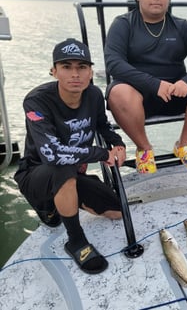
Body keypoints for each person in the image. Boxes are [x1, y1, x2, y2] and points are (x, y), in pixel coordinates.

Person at [14, 38, 127, 274]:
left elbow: (102, 126)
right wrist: (102, 153)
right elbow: (52, 154)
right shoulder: (36, 101)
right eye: (66, 67)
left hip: (71, 172)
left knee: (116, 211)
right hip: (36, 172)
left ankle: (65, 201)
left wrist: (118, 144)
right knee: (62, 167)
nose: (75, 74)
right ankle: (75, 240)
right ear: (54, 71)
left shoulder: (94, 95)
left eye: (81, 67)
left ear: (90, 72)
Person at [104, 0, 187, 174]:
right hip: (137, 98)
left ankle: (183, 145)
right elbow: (113, 63)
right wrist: (154, 84)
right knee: (118, 91)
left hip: (176, 94)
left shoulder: (182, 26)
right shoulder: (123, 24)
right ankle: (144, 149)